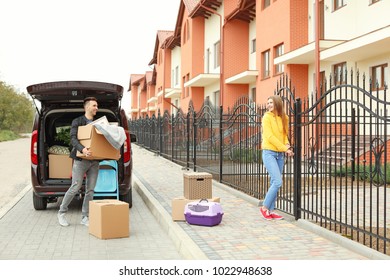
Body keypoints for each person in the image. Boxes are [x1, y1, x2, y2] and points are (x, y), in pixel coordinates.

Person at [57, 97, 100, 227]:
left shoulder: (99, 123)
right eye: (94, 105)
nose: (96, 108)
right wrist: (83, 149)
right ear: (87, 107)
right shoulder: (78, 121)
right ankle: (61, 213)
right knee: (75, 187)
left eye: (97, 106)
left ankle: (85, 217)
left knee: (90, 190)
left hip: (94, 161)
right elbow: (73, 139)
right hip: (81, 160)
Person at [260, 95, 294, 221]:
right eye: (268, 102)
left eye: (271, 103)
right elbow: (269, 137)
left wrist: (286, 144)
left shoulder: (284, 117)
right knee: (278, 181)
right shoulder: (266, 117)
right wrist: (285, 149)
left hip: (279, 155)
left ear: (278, 104)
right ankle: (264, 208)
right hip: (269, 152)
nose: (268, 105)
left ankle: (271, 210)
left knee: (273, 182)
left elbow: (284, 134)